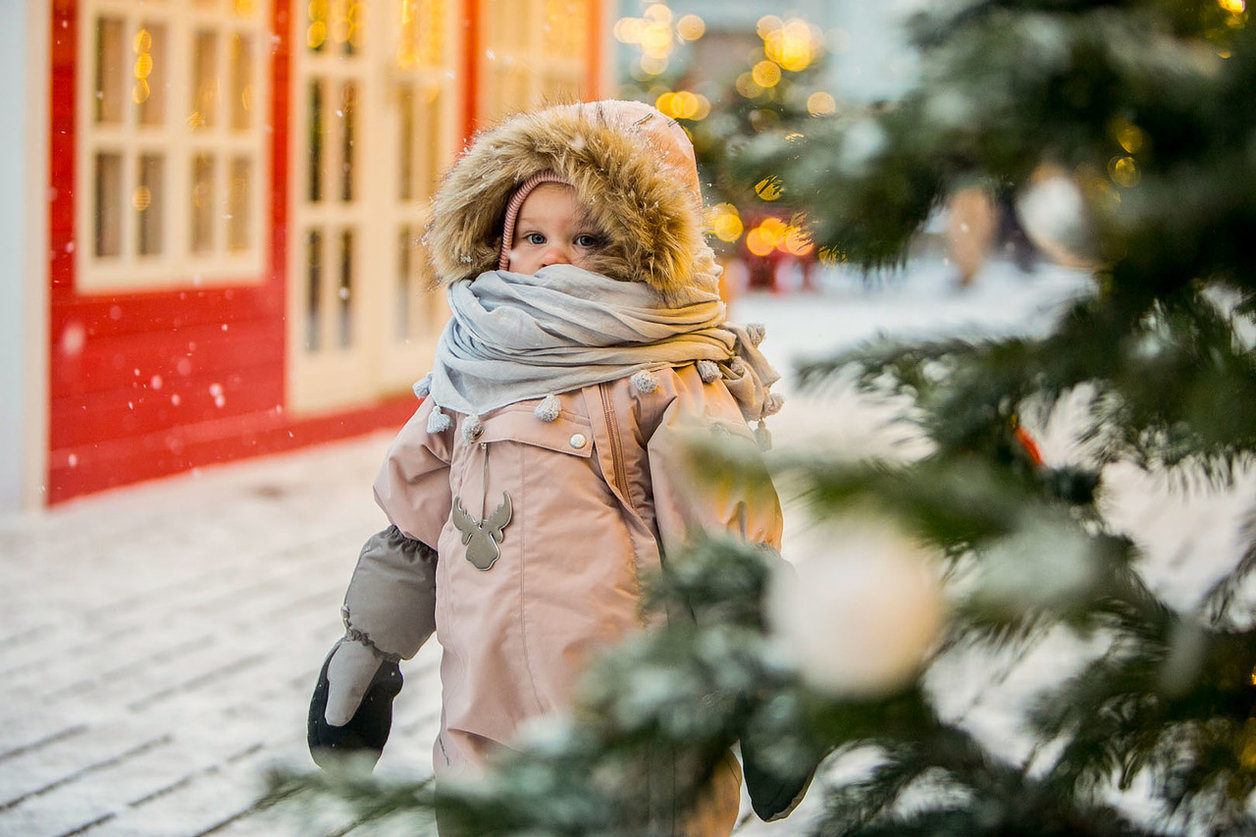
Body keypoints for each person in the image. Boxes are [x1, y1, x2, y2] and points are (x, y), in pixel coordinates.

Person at [306, 100, 788, 834]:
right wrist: (368, 645)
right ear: (500, 245)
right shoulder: (474, 371)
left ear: (643, 251)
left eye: (587, 238)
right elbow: (415, 533)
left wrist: (768, 685)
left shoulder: (661, 382)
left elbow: (729, 548)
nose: (551, 255)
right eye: (533, 235)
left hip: (637, 735)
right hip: (484, 721)